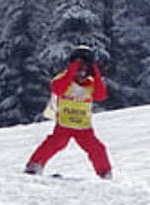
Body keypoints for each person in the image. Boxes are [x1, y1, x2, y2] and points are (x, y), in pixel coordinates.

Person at [24, 45, 113, 179]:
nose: (81, 73)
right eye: (78, 69)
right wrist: (72, 70)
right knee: (53, 144)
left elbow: (100, 95)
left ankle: (104, 173)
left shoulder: (91, 84)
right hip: (64, 125)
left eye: (84, 70)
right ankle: (35, 165)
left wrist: (96, 74)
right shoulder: (63, 79)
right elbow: (58, 89)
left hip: (83, 127)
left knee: (97, 148)